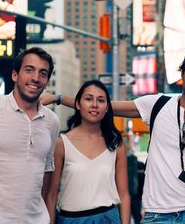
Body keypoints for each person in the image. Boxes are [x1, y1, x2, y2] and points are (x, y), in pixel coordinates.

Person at [43, 47, 185, 223]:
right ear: (182, 74)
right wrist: (59, 99)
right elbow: (105, 106)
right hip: (157, 213)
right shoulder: (157, 105)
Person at [0, 47, 60, 223]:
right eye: (29, 70)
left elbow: (46, 171)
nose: (35, 78)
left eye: (43, 73)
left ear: (47, 81)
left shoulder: (52, 121)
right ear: (15, 75)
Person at [45, 80, 130, 224]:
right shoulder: (61, 143)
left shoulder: (116, 144)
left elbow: (124, 195)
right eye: (88, 99)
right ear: (78, 104)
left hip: (108, 218)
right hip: (71, 219)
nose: (94, 104)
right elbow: (51, 195)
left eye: (101, 100)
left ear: (107, 107)